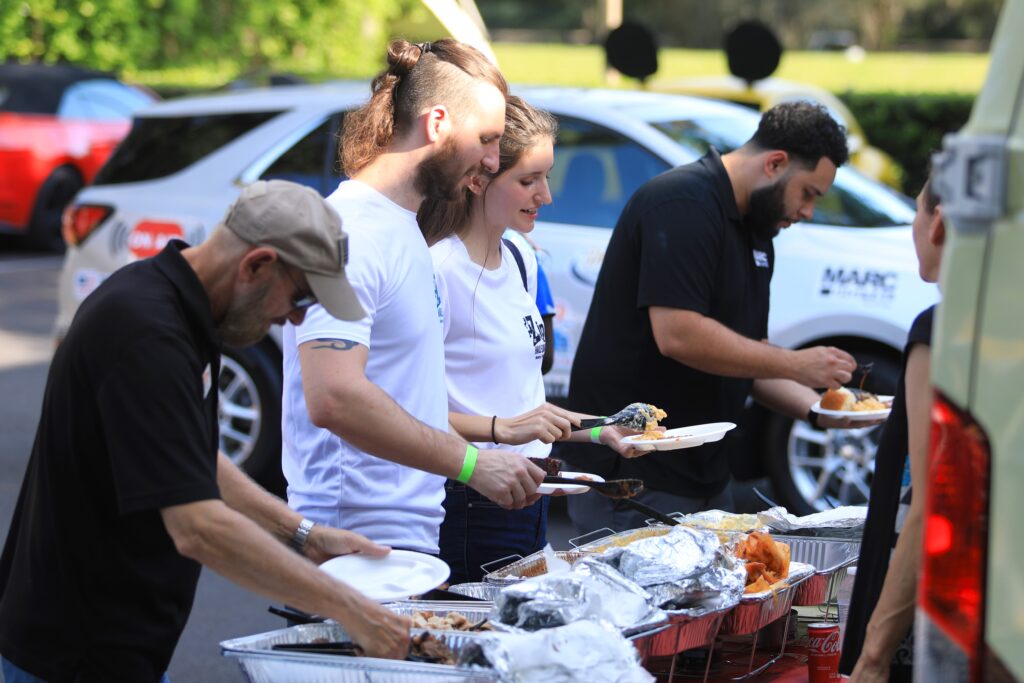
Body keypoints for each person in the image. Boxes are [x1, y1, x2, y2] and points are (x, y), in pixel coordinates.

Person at [0, 181, 410, 683]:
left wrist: (304, 535)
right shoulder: (145, 332)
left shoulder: (181, 307)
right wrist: (354, 611)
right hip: (72, 656)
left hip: (118, 650)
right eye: (301, 296)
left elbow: (189, 457)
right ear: (256, 265)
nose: (296, 318)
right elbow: (197, 527)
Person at [281, 39, 545, 561]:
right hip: (355, 541)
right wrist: (472, 463)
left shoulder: (401, 227)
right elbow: (332, 395)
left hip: (407, 537)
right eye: (487, 140)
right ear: (437, 122)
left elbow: (409, 395)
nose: (493, 161)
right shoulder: (351, 233)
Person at [561, 101, 860, 533]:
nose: (808, 211)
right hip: (635, 470)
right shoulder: (680, 203)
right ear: (775, 164)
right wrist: (798, 363)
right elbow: (678, 334)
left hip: (707, 473)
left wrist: (820, 411)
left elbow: (746, 357)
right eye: (808, 193)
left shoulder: (757, 229)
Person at [419, 96, 646, 583]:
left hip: (532, 492)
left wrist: (602, 430)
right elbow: (410, 413)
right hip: (471, 497)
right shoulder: (439, 270)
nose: (546, 195)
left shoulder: (520, 255)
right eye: (528, 180)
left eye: (546, 177)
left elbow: (528, 406)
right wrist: (500, 430)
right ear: (478, 179)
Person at [839, 174, 945, 682]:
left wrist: (875, 653)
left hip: (933, 610)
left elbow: (929, 504)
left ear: (939, 223)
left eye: (917, 211)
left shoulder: (942, 329)